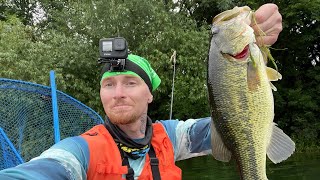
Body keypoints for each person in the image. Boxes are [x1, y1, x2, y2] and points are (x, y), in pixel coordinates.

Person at [0, 3, 282, 180]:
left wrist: (258, 38)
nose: (118, 93)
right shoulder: (81, 150)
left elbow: (234, 122)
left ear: (150, 94)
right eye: (108, 84)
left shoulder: (170, 138)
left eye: (130, 83)